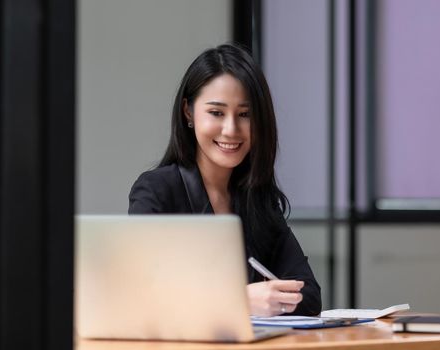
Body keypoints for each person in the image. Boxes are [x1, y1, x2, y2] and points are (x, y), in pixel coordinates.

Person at [128, 44, 321, 316]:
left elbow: (309, 295)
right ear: (188, 112)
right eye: (216, 113)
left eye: (245, 114)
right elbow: (141, 293)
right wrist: (238, 301)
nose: (231, 129)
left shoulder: (258, 198)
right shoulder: (158, 190)